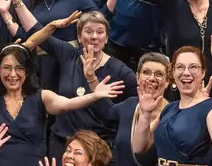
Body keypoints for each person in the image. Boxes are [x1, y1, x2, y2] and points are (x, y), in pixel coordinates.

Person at [24, 10, 137, 155]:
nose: (94, 37)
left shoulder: (121, 72)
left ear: (107, 38)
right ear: (79, 36)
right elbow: (36, 31)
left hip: (97, 148)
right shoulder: (69, 55)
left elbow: (136, 105)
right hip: (61, 143)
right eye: (88, 31)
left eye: (100, 32)